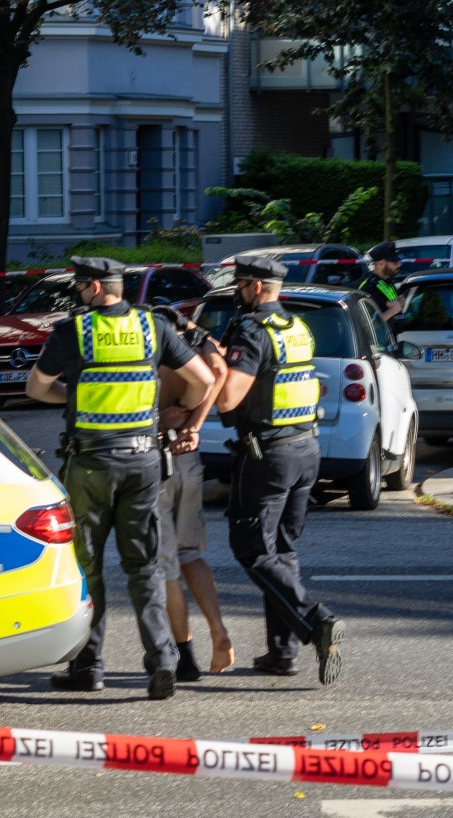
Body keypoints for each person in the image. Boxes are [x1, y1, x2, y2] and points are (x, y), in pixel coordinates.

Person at [26, 256, 214, 700]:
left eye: (79, 287)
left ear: (93, 288)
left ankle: (88, 666)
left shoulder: (74, 332)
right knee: (144, 567)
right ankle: (163, 659)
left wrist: (74, 395)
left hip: (90, 464)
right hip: (144, 461)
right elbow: (205, 380)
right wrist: (176, 417)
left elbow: (35, 388)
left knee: (87, 567)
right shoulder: (154, 328)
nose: (77, 294)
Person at [214, 254, 344, 686]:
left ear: (253, 287)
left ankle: (316, 619)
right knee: (283, 552)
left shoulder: (251, 331)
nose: (237, 292)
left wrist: (216, 370)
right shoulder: (296, 327)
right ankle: (282, 653)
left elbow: (229, 399)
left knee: (251, 549)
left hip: (268, 456)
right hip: (306, 449)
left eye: (239, 284)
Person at [151, 305, 235, 680]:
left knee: (166, 565)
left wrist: (170, 415)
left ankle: (185, 656)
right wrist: (196, 421)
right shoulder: (195, 351)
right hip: (189, 455)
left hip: (157, 460)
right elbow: (219, 370)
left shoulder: (153, 353)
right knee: (190, 554)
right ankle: (219, 630)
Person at [356, 241, 404, 322]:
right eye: (394, 262)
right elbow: (367, 324)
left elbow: (396, 304)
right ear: (381, 264)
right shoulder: (369, 288)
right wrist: (393, 310)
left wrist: (401, 301)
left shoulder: (387, 282)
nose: (399, 264)